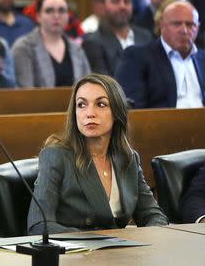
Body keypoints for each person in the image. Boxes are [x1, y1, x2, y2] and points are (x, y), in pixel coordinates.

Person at [27, 73, 168, 235]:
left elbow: (153, 215)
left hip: (122, 255)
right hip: (76, 255)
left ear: (117, 112)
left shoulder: (128, 158)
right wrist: (101, 239)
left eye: (101, 104)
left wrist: (150, 239)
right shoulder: (56, 155)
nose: (89, 113)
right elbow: (38, 225)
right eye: (81, 105)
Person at [115, 1, 205, 108]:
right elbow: (132, 108)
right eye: (176, 24)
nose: (184, 30)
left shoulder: (202, 59)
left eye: (190, 25)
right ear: (161, 25)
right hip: (163, 123)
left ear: (198, 28)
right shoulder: (138, 57)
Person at [13, 0, 91, 88]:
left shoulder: (76, 48)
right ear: (38, 16)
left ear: (68, 16)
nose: (56, 16)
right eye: (49, 11)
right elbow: (26, 92)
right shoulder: (24, 47)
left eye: (61, 11)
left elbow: (87, 86)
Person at [82, 0, 153, 76]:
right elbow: (105, 83)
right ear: (103, 6)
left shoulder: (146, 36)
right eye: (116, 1)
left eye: (127, 1)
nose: (122, 6)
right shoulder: (93, 42)